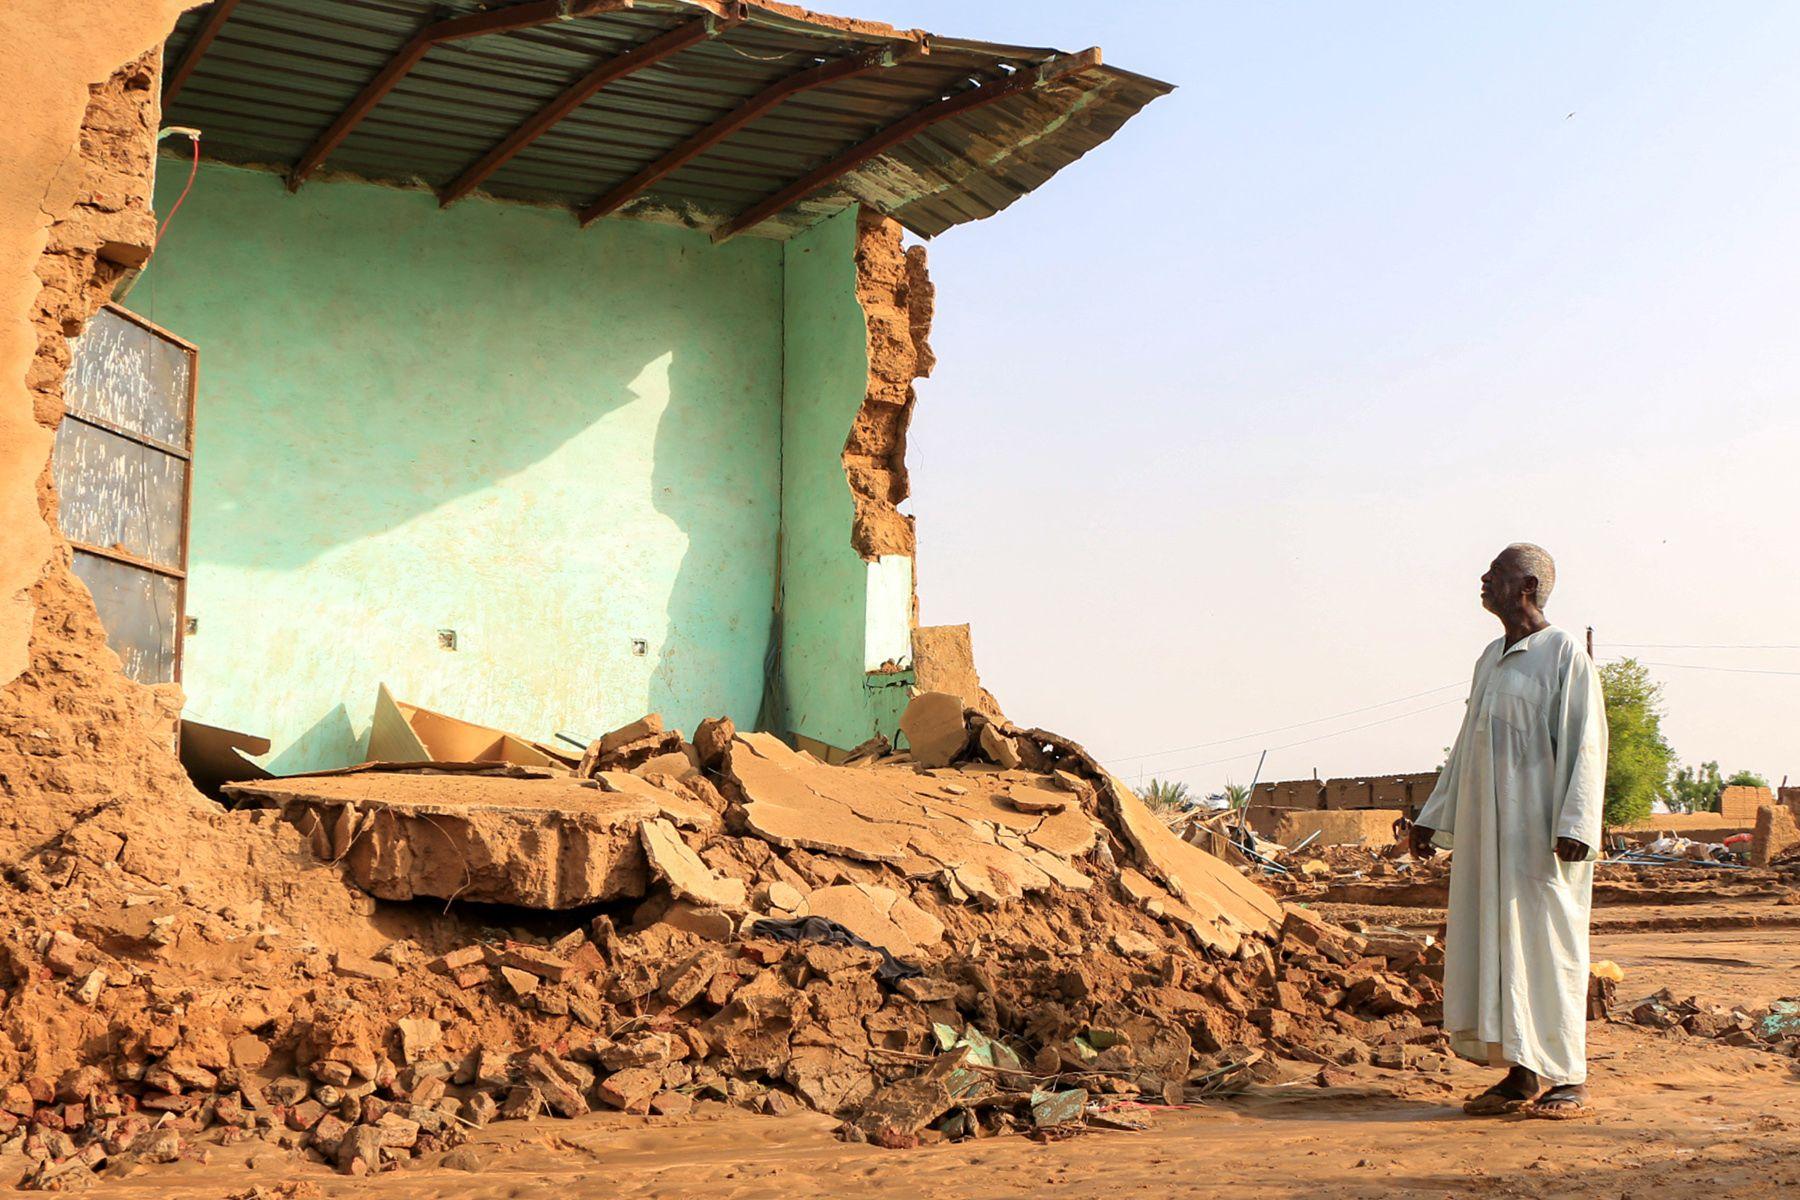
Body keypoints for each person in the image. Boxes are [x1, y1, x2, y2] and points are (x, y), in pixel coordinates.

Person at [1410, 543, 1608, 1119]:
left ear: (1525, 586)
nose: (1483, 579)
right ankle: (1522, 1076)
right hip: (1489, 840)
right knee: (1501, 950)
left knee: (1549, 950)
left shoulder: (1563, 653)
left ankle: (1569, 1077)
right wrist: (1431, 818)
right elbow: (1467, 747)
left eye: (1494, 572)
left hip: (1542, 838)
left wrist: (1576, 823)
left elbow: (1586, 743)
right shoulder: (1491, 657)